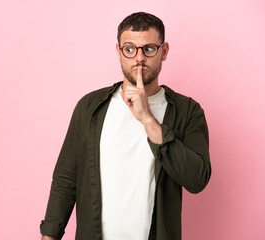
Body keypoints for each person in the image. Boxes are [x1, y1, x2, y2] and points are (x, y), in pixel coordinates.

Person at [40, 12, 211, 240]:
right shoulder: (90, 107)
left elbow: (197, 180)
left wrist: (148, 119)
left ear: (164, 51)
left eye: (149, 49)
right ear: (119, 52)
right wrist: (49, 236)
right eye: (130, 49)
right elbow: (66, 178)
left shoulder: (187, 111)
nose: (139, 58)